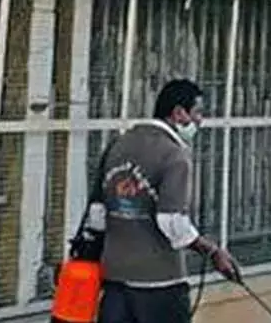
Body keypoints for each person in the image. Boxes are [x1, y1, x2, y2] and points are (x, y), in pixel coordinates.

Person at [84, 79, 237, 322]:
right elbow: (172, 222)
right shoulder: (174, 155)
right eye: (197, 113)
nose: (200, 121)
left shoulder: (118, 145)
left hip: (114, 280)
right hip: (159, 283)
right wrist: (212, 251)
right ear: (178, 113)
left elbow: (97, 214)